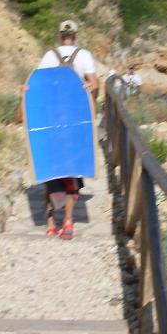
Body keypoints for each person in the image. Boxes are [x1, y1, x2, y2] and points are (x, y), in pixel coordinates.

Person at [19, 20, 99, 240]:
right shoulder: (84, 56)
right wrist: (90, 95)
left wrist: (25, 93)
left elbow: (39, 87)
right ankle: (69, 222)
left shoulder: (48, 56)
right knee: (71, 172)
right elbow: (94, 85)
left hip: (51, 122)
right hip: (74, 122)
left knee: (50, 171)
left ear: (60, 36)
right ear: (75, 35)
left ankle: (51, 223)